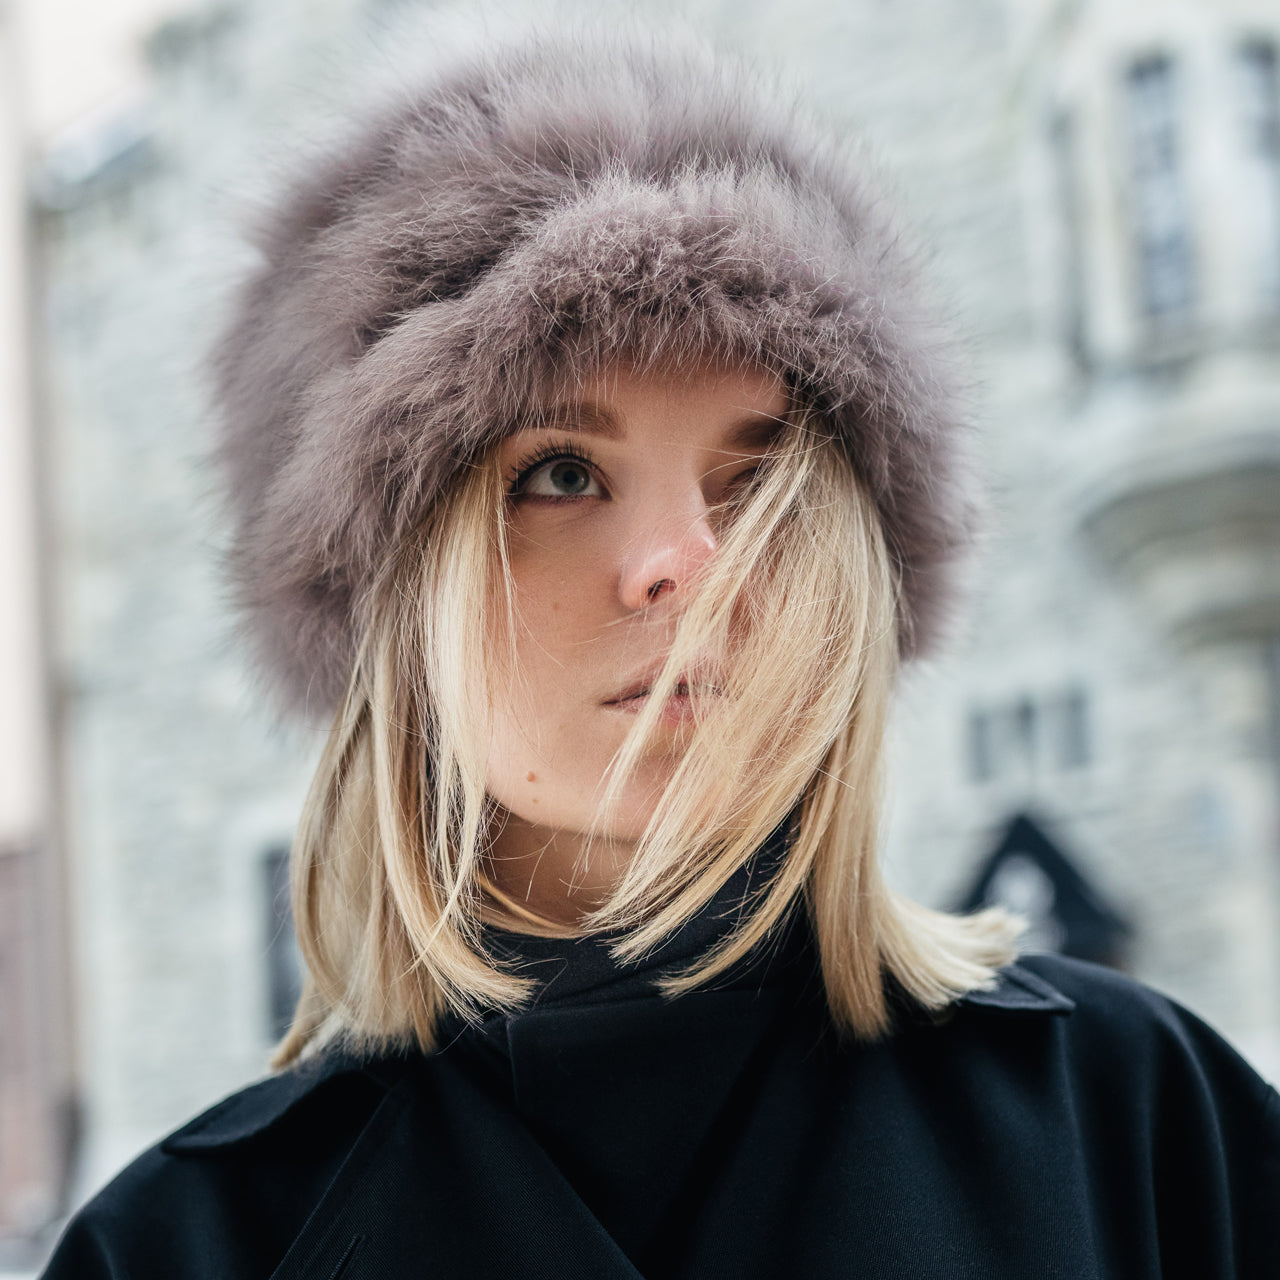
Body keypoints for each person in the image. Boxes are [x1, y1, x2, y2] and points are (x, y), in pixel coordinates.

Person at [42, 24, 1280, 1280]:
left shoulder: (1135, 1127)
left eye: (755, 477)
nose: (686, 562)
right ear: (387, 595)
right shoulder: (183, 1247)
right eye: (561, 472)